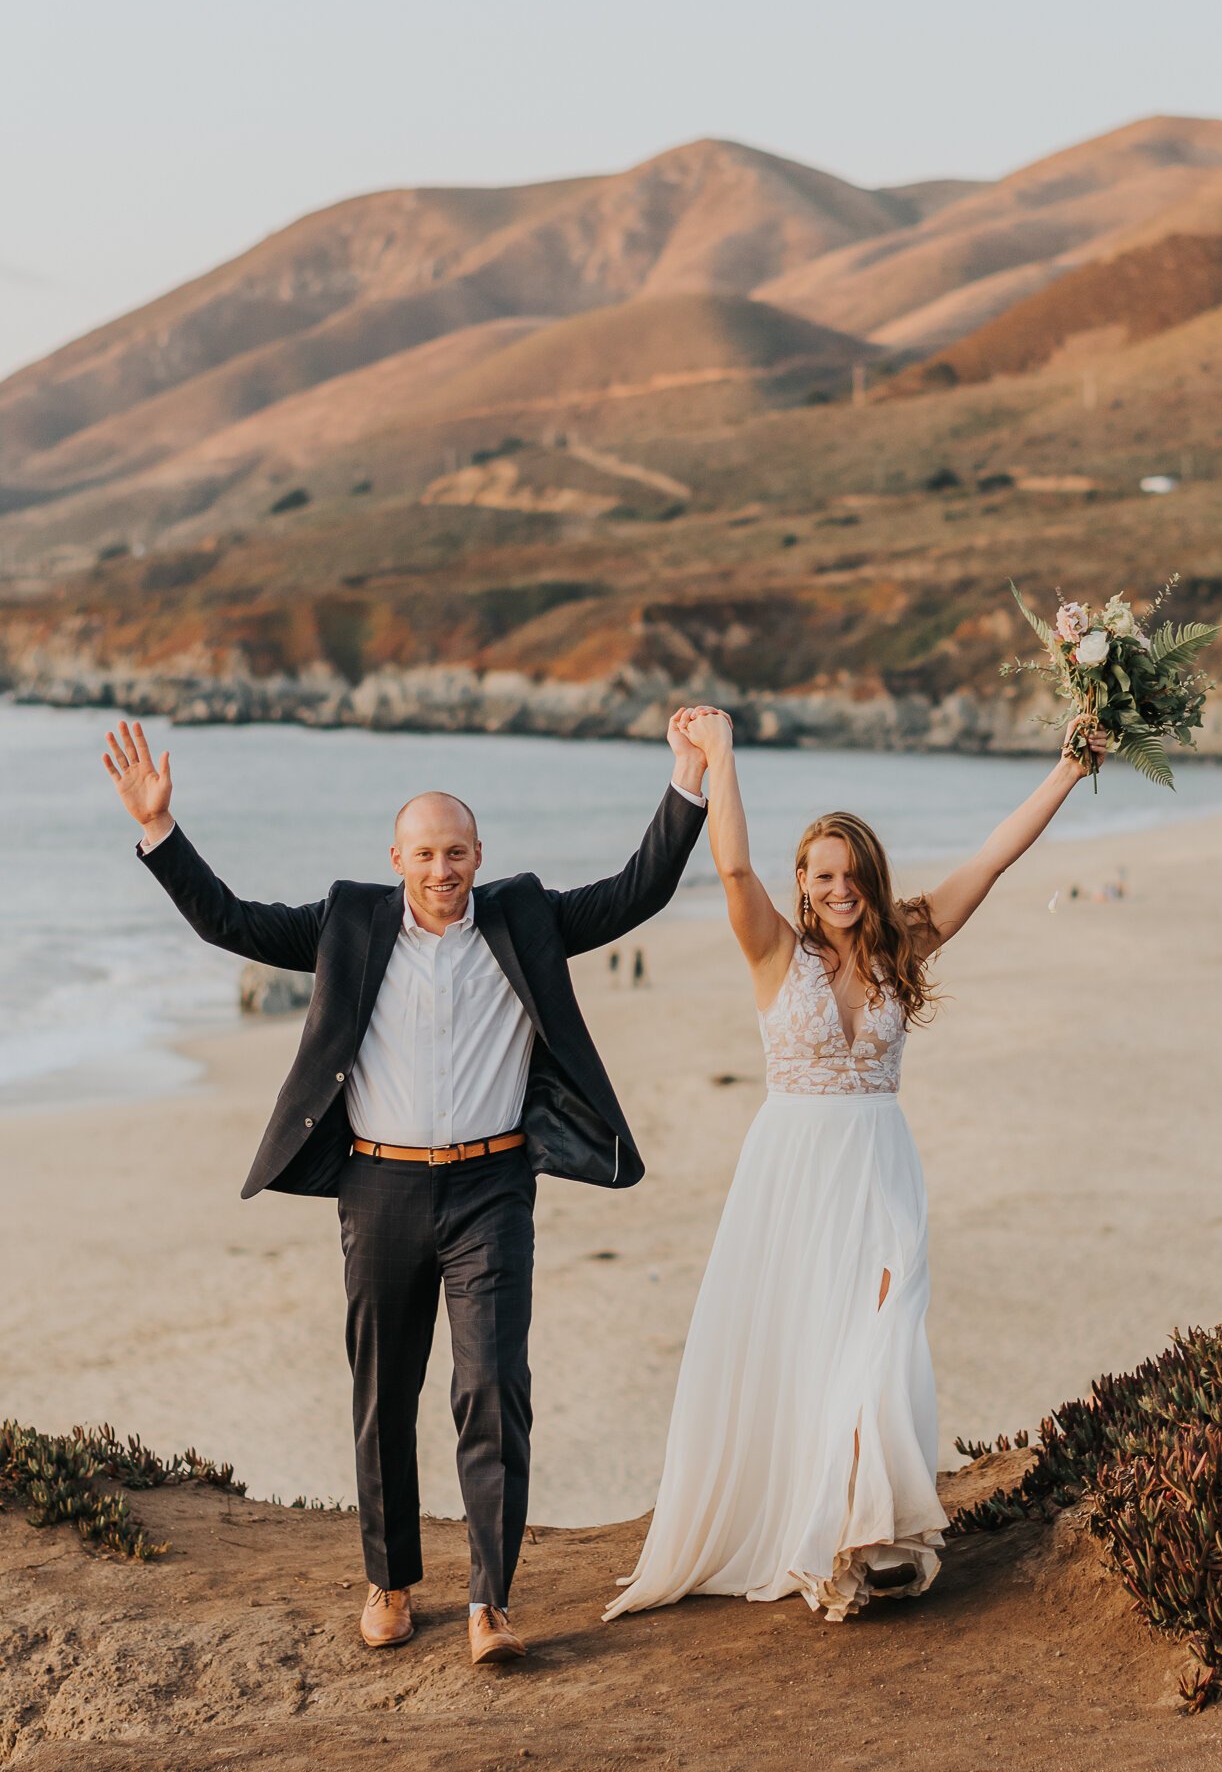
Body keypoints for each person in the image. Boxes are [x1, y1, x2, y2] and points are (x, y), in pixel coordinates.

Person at [101, 713, 711, 1665]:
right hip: (378, 1190)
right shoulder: (348, 920)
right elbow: (233, 922)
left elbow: (638, 892)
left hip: (492, 1190)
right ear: (397, 856)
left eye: (456, 851)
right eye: (425, 853)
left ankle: (491, 1603)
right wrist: (159, 829)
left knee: (492, 1387)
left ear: (479, 854)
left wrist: (688, 778)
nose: (442, 869)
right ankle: (389, 1583)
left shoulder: (525, 917)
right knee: (384, 1391)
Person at [604, 708, 1106, 1624]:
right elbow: (728, 866)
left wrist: (1067, 772)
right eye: (823, 875)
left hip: (876, 1165)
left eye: (852, 875)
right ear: (802, 884)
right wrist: (720, 759)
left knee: (882, 1336)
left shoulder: (899, 945)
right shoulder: (771, 951)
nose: (839, 889)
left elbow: (991, 861)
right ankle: (821, 1527)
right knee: (800, 1347)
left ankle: (870, 1535)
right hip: (788, 1172)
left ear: (871, 879)